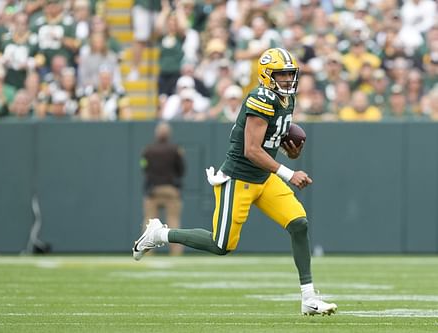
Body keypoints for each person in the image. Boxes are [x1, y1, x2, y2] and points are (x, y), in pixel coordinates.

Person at [132, 48, 338, 316]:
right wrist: (289, 172)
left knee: (299, 223)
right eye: (282, 74)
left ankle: (308, 298)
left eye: (290, 74)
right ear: (266, 75)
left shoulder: (286, 99)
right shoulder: (260, 98)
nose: (288, 80)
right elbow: (251, 150)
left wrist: (291, 151)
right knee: (221, 245)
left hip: (264, 178)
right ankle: (159, 234)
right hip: (240, 178)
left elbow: (271, 140)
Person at [140, 122, 186, 256]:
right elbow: (181, 170)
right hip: (170, 190)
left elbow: (144, 167)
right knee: (173, 222)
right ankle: (176, 252)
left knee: (149, 223)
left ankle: (145, 252)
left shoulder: (147, 150)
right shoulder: (175, 150)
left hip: (153, 190)